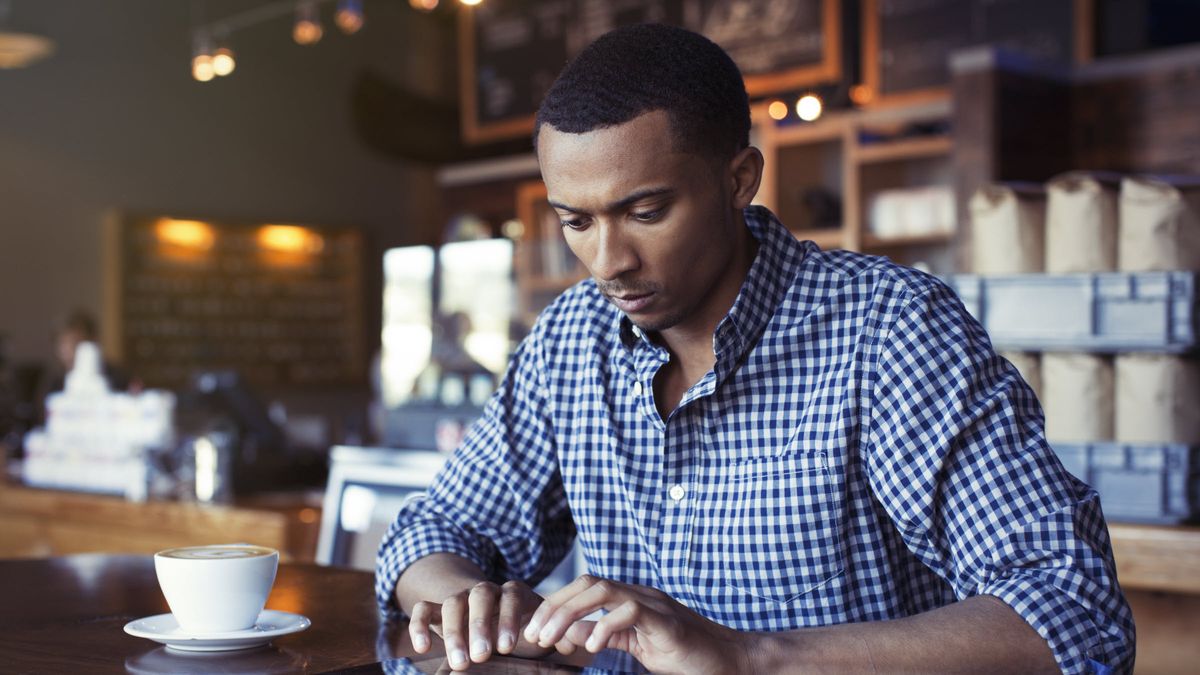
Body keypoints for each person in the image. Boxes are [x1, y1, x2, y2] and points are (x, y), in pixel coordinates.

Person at [376, 23, 1133, 674]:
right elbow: (434, 532)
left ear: (739, 179)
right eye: (575, 221)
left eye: (646, 210)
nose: (608, 260)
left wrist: (747, 655)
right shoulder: (570, 341)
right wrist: (470, 606)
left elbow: (1072, 606)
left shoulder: (887, 330)